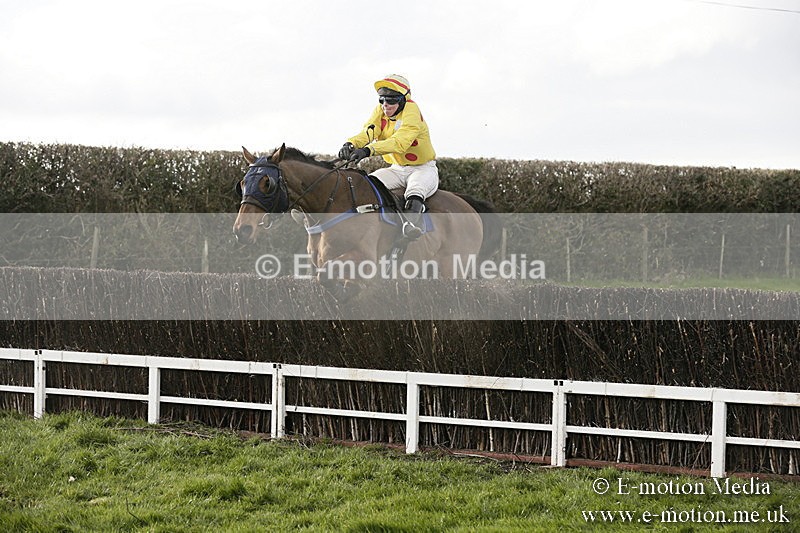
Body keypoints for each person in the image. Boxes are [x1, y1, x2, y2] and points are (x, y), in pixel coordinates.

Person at [339, 74, 438, 240]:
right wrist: (351, 144)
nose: (385, 104)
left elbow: (399, 142)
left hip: (422, 169)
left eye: (391, 100)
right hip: (396, 169)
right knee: (365, 185)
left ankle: (411, 227)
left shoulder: (412, 111)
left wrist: (368, 151)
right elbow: (369, 131)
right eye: (382, 100)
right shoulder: (380, 110)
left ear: (403, 100)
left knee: (415, 191)